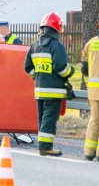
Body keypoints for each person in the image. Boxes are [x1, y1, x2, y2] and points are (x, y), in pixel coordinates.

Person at [24, 12, 75, 157]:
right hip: (53, 91)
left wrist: (38, 76)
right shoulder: (56, 45)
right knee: (49, 119)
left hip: (39, 90)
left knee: (42, 119)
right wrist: (71, 71)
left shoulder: (34, 45)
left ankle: (43, 145)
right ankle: (45, 148)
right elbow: (61, 68)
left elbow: (27, 67)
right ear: (57, 27)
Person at [81, 23, 99, 161]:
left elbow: (84, 68)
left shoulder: (91, 43)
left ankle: (89, 152)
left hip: (94, 91)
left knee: (94, 121)